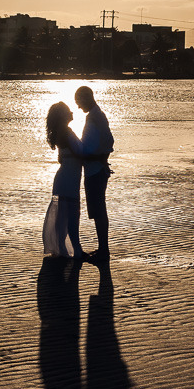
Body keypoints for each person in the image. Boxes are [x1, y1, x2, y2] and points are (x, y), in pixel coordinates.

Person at [75, 86, 114, 263]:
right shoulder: (98, 115)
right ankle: (103, 248)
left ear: (86, 99)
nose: (78, 107)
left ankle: (104, 250)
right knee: (98, 210)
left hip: (95, 170)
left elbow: (101, 144)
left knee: (98, 210)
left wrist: (82, 154)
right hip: (97, 168)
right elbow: (109, 141)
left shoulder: (95, 117)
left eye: (79, 102)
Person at [43, 101, 86, 260]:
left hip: (66, 178)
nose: (72, 112)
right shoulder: (66, 132)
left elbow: (63, 157)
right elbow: (80, 152)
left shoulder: (63, 132)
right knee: (71, 218)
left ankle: (66, 251)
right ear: (63, 116)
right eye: (68, 110)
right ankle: (76, 251)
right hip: (68, 180)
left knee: (65, 219)